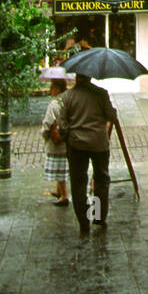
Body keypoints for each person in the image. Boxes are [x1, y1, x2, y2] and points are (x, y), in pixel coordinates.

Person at [58, 73, 117, 234]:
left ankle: (84, 222)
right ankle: (98, 216)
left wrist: (68, 137)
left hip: (77, 145)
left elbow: (62, 125)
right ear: (90, 77)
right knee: (101, 180)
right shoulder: (101, 93)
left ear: (77, 77)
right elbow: (111, 116)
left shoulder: (67, 97)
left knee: (78, 183)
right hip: (99, 143)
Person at [39, 68, 70, 205]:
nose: (50, 90)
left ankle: (64, 196)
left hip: (56, 142)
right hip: (67, 141)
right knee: (62, 166)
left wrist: (45, 135)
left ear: (57, 88)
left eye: (51, 87)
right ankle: (58, 190)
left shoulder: (54, 105)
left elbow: (48, 123)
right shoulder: (68, 101)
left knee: (58, 169)